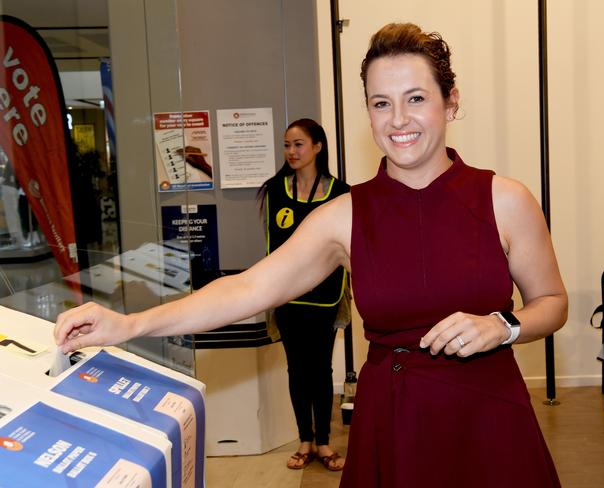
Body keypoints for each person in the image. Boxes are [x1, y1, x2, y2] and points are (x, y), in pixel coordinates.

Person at [54, 22, 568, 488]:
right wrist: (128, 324)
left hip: (489, 418)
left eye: (416, 98)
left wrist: (504, 326)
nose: (398, 119)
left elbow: (551, 301)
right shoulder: (345, 215)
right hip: (393, 424)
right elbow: (247, 289)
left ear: (450, 102)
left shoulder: (505, 199)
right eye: (381, 103)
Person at [257, 118, 349, 470]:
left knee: (321, 369)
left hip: (325, 295)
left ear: (317, 147)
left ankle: (324, 442)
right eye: (286, 145)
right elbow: (272, 247)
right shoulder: (275, 189)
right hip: (286, 298)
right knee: (296, 369)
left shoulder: (341, 192)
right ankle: (304, 440)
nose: (291, 151)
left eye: (298, 144)